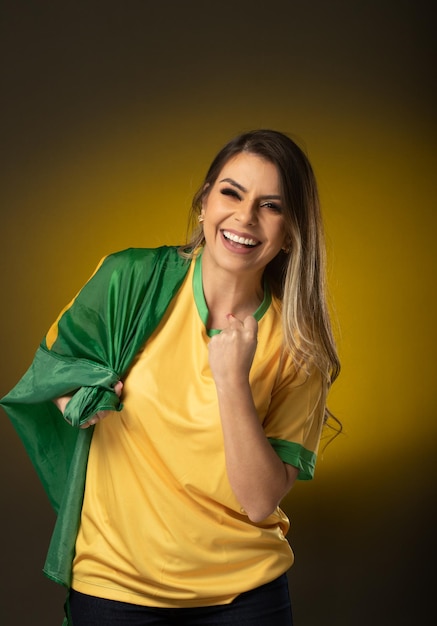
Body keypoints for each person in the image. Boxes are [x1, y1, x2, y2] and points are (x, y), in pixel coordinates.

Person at [0, 129, 340, 625]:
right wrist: (78, 400)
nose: (245, 217)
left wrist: (231, 382)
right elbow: (54, 371)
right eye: (231, 192)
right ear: (204, 204)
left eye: (271, 205)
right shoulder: (130, 280)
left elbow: (260, 498)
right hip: (114, 585)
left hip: (244, 598)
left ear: (290, 233)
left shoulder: (298, 344)